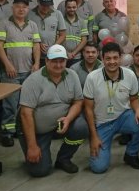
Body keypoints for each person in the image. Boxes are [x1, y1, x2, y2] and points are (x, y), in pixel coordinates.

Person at [18, 45, 89, 176]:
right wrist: (32, 146)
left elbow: (78, 102)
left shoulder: (72, 75)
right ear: (46, 61)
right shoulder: (33, 81)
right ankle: (33, 149)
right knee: (40, 171)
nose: (58, 65)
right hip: (37, 131)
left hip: (60, 124)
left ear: (66, 61)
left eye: (62, 61)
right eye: (54, 61)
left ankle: (63, 159)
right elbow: (25, 113)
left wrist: (68, 119)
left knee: (81, 127)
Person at [83, 42, 139, 173]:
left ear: (120, 58)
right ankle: (100, 147)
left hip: (123, 117)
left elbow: (134, 98)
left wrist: (138, 111)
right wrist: (94, 136)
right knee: (98, 168)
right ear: (102, 59)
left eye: (115, 58)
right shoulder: (92, 78)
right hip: (102, 124)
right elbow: (88, 109)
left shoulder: (129, 75)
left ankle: (131, 154)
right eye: (108, 58)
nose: (112, 62)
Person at [0, 0, 41, 147]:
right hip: (11, 73)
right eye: (18, 6)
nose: (21, 9)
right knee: (10, 105)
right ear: (12, 8)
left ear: (28, 9)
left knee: (27, 104)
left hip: (28, 72)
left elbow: (36, 45)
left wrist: (36, 64)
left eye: (24, 7)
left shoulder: (32, 25)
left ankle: (22, 130)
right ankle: (7, 133)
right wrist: (7, 65)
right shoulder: (3, 24)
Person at [27, 0, 67, 65]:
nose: (46, 8)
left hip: (52, 55)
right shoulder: (29, 14)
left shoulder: (57, 14)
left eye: (48, 5)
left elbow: (63, 35)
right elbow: (26, 34)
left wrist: (53, 47)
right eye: (43, 5)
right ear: (38, 1)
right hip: (34, 54)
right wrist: (38, 43)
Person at [61, 0, 89, 67]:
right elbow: (58, 38)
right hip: (62, 55)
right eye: (69, 7)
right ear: (65, 8)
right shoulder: (60, 21)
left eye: (74, 7)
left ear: (77, 7)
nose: (72, 9)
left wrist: (73, 53)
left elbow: (84, 40)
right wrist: (66, 53)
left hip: (77, 56)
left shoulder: (82, 22)